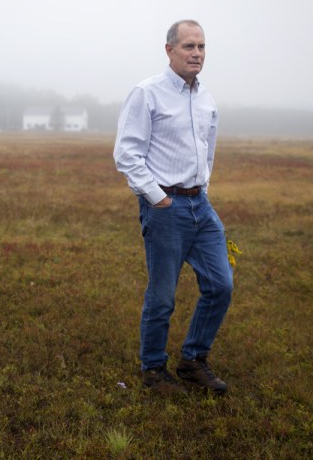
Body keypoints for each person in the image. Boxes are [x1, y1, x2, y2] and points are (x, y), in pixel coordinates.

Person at [113, 20, 233, 395]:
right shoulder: (147, 93)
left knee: (221, 285)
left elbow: (207, 149)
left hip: (200, 205)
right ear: (169, 50)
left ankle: (193, 360)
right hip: (165, 208)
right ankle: (153, 369)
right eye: (188, 46)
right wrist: (158, 197)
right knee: (163, 295)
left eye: (201, 46)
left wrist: (203, 187)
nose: (196, 53)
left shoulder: (206, 98)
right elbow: (127, 153)